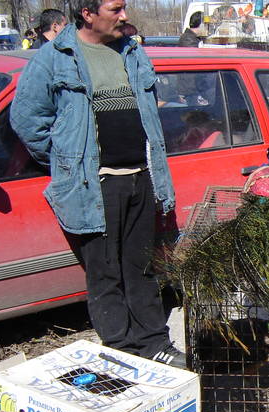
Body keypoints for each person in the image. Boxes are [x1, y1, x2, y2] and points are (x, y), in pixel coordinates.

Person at [10, 0, 185, 368]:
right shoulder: (55, 58)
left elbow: (150, 109)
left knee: (142, 267)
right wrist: (69, 160)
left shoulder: (132, 52)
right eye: (115, 9)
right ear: (88, 13)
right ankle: (121, 348)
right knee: (106, 272)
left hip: (142, 178)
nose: (124, 16)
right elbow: (27, 119)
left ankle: (153, 342)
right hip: (95, 186)